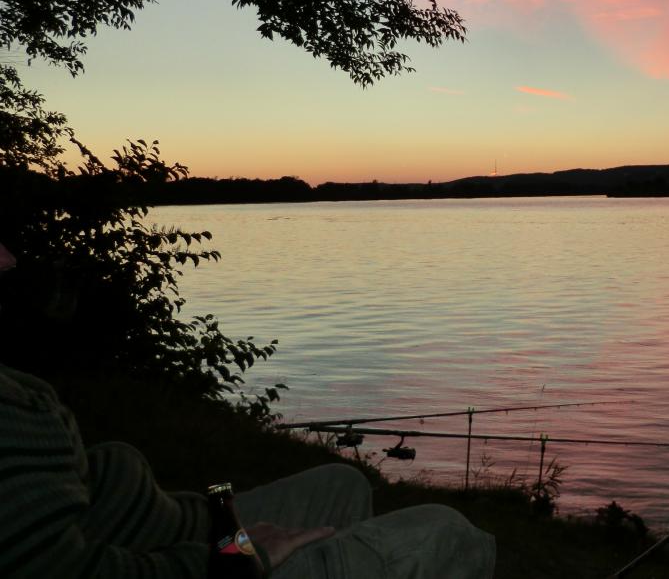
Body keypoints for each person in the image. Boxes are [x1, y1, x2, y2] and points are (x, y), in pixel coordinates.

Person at [0, 243, 496, 578]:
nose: (10, 257)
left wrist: (212, 507)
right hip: (199, 560)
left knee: (340, 482)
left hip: (183, 527)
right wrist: (236, 557)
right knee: (444, 530)